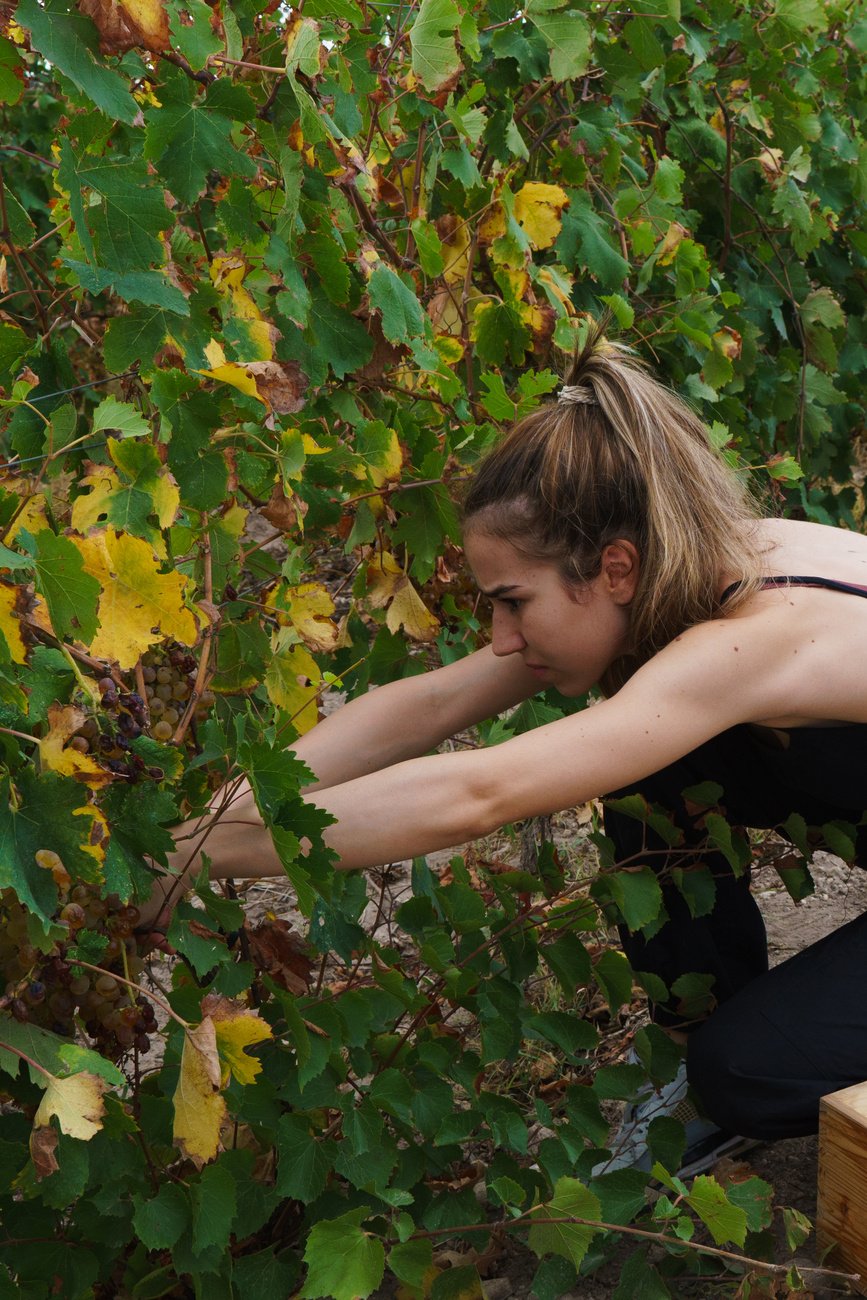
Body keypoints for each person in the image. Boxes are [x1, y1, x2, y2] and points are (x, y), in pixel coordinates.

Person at [150, 323, 867, 1173]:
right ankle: (697, 1053)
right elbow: (429, 704)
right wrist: (199, 827)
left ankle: (724, 1082)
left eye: (511, 601)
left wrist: (192, 862)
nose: (498, 636)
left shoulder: (756, 637)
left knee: (747, 1070)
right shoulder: (700, 566)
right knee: (658, 761)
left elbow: (477, 794)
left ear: (615, 567)